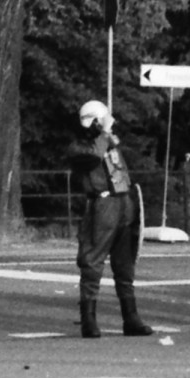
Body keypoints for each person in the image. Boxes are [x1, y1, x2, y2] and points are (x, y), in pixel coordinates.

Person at [69, 100, 153, 338]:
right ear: (94, 122)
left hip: (123, 202)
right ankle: (89, 320)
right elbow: (94, 156)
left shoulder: (107, 142)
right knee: (93, 261)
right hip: (102, 204)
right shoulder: (78, 148)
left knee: (125, 264)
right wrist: (104, 133)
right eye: (102, 120)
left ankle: (131, 317)